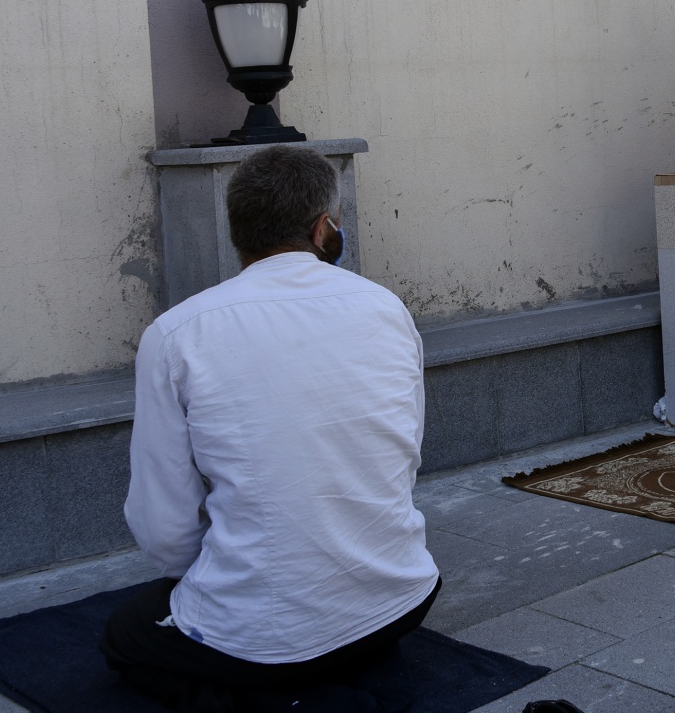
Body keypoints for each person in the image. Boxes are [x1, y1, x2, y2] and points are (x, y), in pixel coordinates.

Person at [102, 144, 440, 706]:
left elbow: (164, 527)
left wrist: (206, 579)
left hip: (270, 638)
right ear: (322, 228)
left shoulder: (178, 332)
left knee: (126, 633)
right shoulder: (385, 306)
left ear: (239, 232)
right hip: (404, 596)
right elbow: (404, 455)